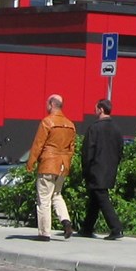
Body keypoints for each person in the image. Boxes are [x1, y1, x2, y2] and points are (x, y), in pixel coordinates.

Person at [24, 93, 76, 240]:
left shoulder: (47, 122)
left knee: (44, 199)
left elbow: (38, 144)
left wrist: (30, 163)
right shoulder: (70, 125)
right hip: (62, 165)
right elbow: (72, 148)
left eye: (47, 103)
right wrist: (66, 162)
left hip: (48, 163)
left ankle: (44, 233)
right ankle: (66, 222)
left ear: (52, 104)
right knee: (57, 195)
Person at [76, 100, 125, 240]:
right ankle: (87, 228)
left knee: (102, 198)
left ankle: (116, 228)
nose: (94, 110)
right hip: (110, 169)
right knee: (95, 199)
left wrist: (85, 169)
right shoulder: (116, 129)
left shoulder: (95, 128)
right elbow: (120, 149)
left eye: (96, 108)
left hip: (96, 169)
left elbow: (88, 151)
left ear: (101, 109)